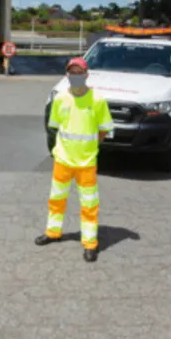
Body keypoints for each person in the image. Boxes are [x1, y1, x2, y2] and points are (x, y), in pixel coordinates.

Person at [36, 57, 114, 262]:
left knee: (89, 204)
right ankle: (53, 232)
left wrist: (92, 146)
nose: (76, 76)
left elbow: (104, 129)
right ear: (67, 75)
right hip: (63, 159)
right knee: (56, 199)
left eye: (80, 73)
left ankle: (90, 244)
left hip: (86, 162)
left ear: (86, 76)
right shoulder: (60, 98)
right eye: (72, 73)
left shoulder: (97, 100)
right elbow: (55, 126)